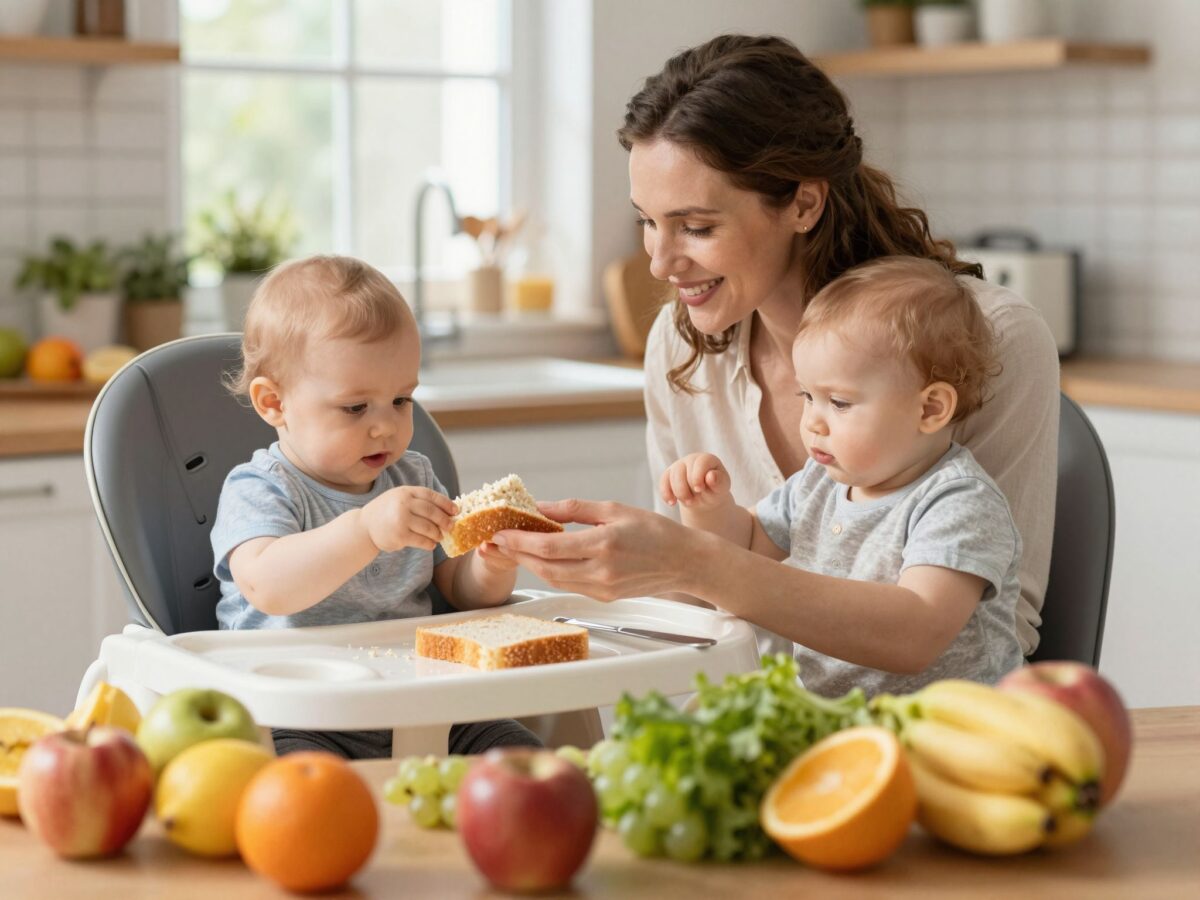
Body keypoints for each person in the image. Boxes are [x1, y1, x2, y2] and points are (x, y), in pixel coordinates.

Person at [491, 33, 1059, 659]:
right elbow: (691, 610)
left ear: (804, 204)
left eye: (697, 227)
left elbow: (995, 626)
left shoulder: (989, 340)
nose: (658, 263)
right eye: (648, 222)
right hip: (754, 712)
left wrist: (694, 563)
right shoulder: (679, 346)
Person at [210, 255, 539, 758]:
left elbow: (456, 590)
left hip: (424, 704)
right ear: (274, 403)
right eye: (355, 408)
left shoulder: (413, 476)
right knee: (313, 806)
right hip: (299, 716)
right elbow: (267, 586)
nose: (385, 426)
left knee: (528, 762)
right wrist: (365, 530)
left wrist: (491, 566)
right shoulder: (261, 488)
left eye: (402, 400)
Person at [662, 256, 1023, 695]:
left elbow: (915, 632)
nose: (812, 421)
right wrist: (709, 507)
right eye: (807, 396)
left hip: (950, 733)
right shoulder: (819, 483)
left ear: (930, 409)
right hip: (837, 721)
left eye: (839, 403)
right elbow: (743, 547)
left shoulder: (959, 502)